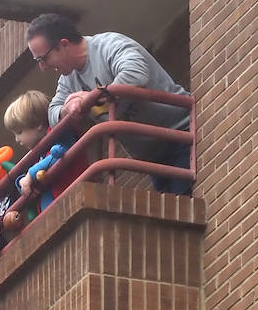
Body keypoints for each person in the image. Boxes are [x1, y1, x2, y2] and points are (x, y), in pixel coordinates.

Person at [24, 13, 193, 195]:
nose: (43, 67)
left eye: (43, 59)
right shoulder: (68, 80)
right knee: (174, 215)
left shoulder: (108, 45)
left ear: (64, 44)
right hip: (152, 157)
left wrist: (91, 98)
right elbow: (53, 114)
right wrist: (67, 109)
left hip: (181, 135)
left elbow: (136, 72)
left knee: (184, 210)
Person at [3, 89, 86, 204]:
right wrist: (22, 182)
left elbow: (61, 152)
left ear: (38, 124)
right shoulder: (36, 154)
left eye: (19, 132)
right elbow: (28, 176)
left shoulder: (59, 132)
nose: (17, 139)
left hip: (76, 199)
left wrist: (31, 175)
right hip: (54, 213)